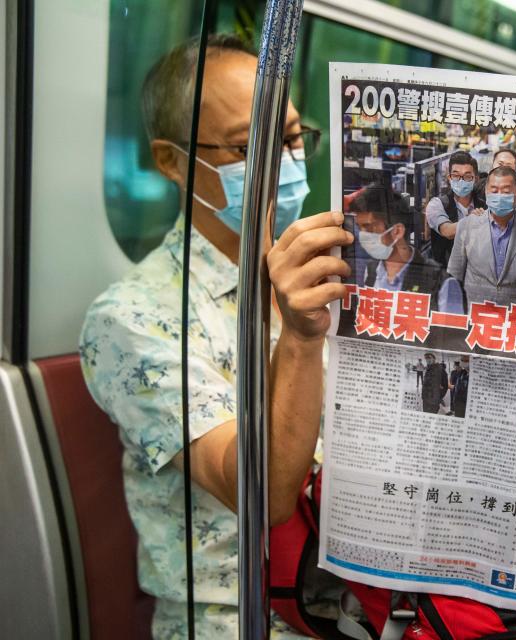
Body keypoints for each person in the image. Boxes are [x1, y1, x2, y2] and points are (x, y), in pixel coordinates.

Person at [79, 35, 350, 637]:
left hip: (349, 603)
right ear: (172, 161)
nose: (280, 163)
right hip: (239, 617)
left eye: (291, 138)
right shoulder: (132, 319)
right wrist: (301, 340)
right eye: (248, 146)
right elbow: (264, 495)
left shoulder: (322, 276)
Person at [446, 166, 516, 307]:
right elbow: (453, 276)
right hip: (474, 316)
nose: (499, 195)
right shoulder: (467, 226)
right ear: (487, 192)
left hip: (515, 320)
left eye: (506, 191)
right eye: (494, 190)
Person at [350, 184, 447, 302]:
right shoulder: (371, 270)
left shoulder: (439, 282)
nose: (362, 234)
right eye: (359, 227)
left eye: (368, 227)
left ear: (397, 231)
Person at [424, 150, 483, 267]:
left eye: (467, 176)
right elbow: (447, 231)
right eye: (456, 176)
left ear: (475, 179)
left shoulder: (484, 205)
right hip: (445, 274)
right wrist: (471, 220)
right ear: (449, 178)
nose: (460, 180)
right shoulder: (437, 204)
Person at [488, 148, 516, 216]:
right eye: (500, 164)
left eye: (508, 166)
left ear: (515, 169)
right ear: (492, 164)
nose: (503, 169)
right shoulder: (478, 189)